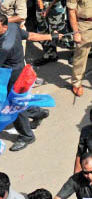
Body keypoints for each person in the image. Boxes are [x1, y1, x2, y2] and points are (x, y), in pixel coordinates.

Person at [0, 12, 55, 151]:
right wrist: (50, 36)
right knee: (19, 101)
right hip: (20, 72)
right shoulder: (13, 27)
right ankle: (39, 113)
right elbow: (30, 35)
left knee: (13, 107)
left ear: (4, 26)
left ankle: (27, 136)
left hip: (11, 77)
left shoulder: (5, 45)